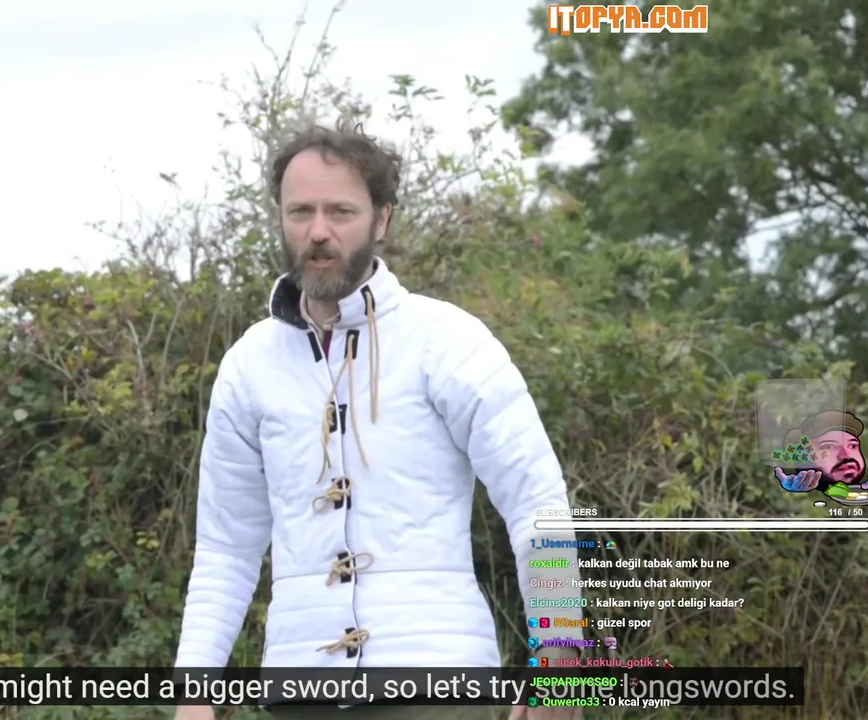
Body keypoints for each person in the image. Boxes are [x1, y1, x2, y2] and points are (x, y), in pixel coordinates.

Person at [173, 121, 585, 720]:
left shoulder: (448, 341)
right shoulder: (248, 365)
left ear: (381, 219)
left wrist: (560, 644)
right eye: (300, 212)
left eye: (340, 211)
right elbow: (225, 548)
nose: (318, 231)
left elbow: (536, 502)